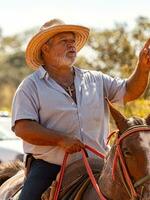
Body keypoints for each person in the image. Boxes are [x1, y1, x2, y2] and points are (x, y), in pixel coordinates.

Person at [11, 18, 150, 200]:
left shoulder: (96, 79)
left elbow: (129, 91)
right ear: (45, 48)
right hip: (50, 166)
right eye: (64, 42)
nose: (72, 46)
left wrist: (143, 68)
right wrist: (60, 140)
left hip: (100, 162)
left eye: (73, 41)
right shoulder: (30, 86)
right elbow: (23, 128)